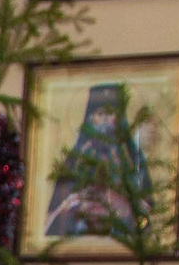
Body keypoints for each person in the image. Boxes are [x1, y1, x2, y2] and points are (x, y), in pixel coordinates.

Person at [43, 85, 152, 240]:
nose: (106, 121)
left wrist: (121, 202)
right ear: (90, 118)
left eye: (111, 114)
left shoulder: (132, 158)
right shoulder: (75, 159)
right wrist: (75, 203)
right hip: (80, 230)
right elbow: (56, 211)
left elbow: (147, 212)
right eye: (100, 114)